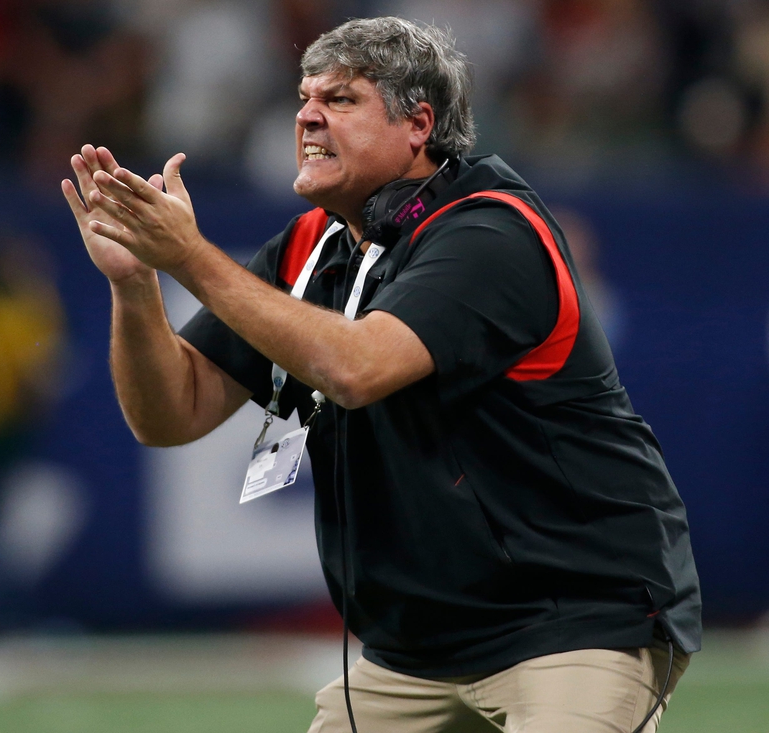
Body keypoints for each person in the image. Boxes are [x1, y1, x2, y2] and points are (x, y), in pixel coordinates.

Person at [62, 16, 700, 733]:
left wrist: (188, 256)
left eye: (339, 99)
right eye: (305, 97)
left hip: (574, 620)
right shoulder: (307, 249)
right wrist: (137, 282)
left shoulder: (491, 234)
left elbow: (355, 366)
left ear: (418, 124)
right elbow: (170, 412)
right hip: (411, 650)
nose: (305, 115)